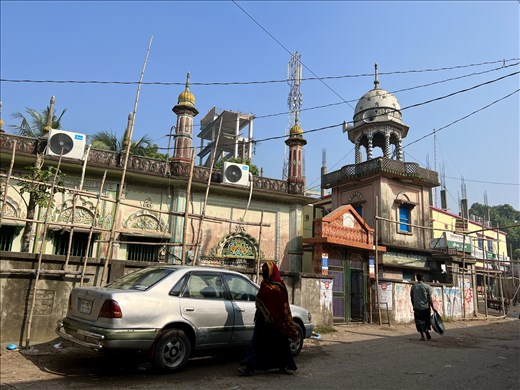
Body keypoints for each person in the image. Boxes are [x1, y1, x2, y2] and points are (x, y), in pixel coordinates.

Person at [238, 261, 298, 376]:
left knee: (280, 344)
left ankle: (283, 366)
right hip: (263, 321)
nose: (264, 273)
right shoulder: (264, 284)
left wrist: (284, 321)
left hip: (277, 322)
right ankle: (249, 367)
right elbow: (260, 301)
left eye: (266, 270)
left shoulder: (279, 286)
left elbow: (283, 304)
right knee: (258, 344)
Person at [410, 273, 435, 341]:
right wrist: (433, 307)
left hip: (417, 307)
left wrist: (413, 306)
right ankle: (426, 331)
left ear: (417, 278)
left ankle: (422, 336)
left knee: (418, 322)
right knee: (426, 320)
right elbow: (429, 298)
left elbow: (412, 298)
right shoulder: (427, 287)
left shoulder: (413, 287)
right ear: (423, 278)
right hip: (425, 307)